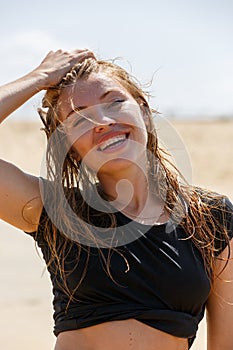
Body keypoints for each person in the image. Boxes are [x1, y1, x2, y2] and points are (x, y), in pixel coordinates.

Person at [0, 49, 233, 350]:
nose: (102, 121)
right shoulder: (55, 211)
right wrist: (38, 78)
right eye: (79, 118)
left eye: (115, 102)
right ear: (68, 146)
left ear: (145, 113)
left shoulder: (211, 217)